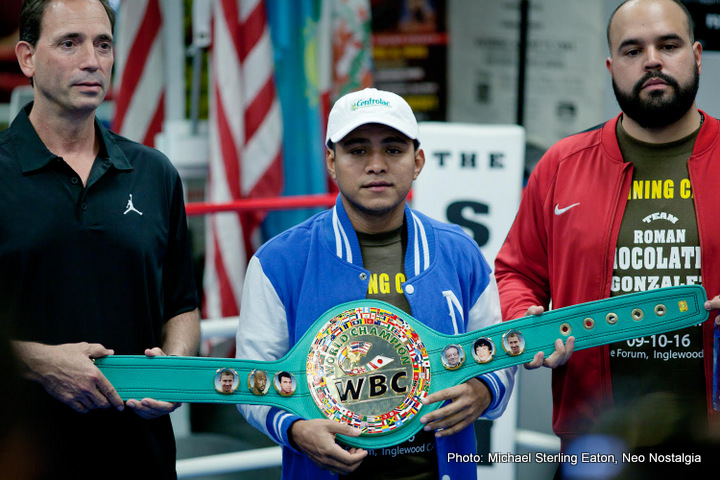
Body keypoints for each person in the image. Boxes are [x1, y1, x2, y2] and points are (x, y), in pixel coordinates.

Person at [236, 87, 515, 479]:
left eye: (394, 149)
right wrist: (297, 431)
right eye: (358, 150)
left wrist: (483, 390)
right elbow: (253, 378)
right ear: (332, 161)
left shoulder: (460, 252)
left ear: (418, 161)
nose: (377, 165)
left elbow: (497, 352)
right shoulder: (278, 262)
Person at [494, 0, 720, 465]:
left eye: (669, 45)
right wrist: (529, 320)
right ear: (611, 66)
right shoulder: (561, 165)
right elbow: (515, 273)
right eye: (632, 50)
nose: (652, 60)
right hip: (596, 448)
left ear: (697, 55)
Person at [1, 1, 200, 478]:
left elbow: (182, 306)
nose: (92, 60)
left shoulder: (154, 173)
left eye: (103, 44)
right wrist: (38, 362)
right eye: (70, 42)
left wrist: (173, 367)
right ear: (28, 58)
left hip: (140, 456)